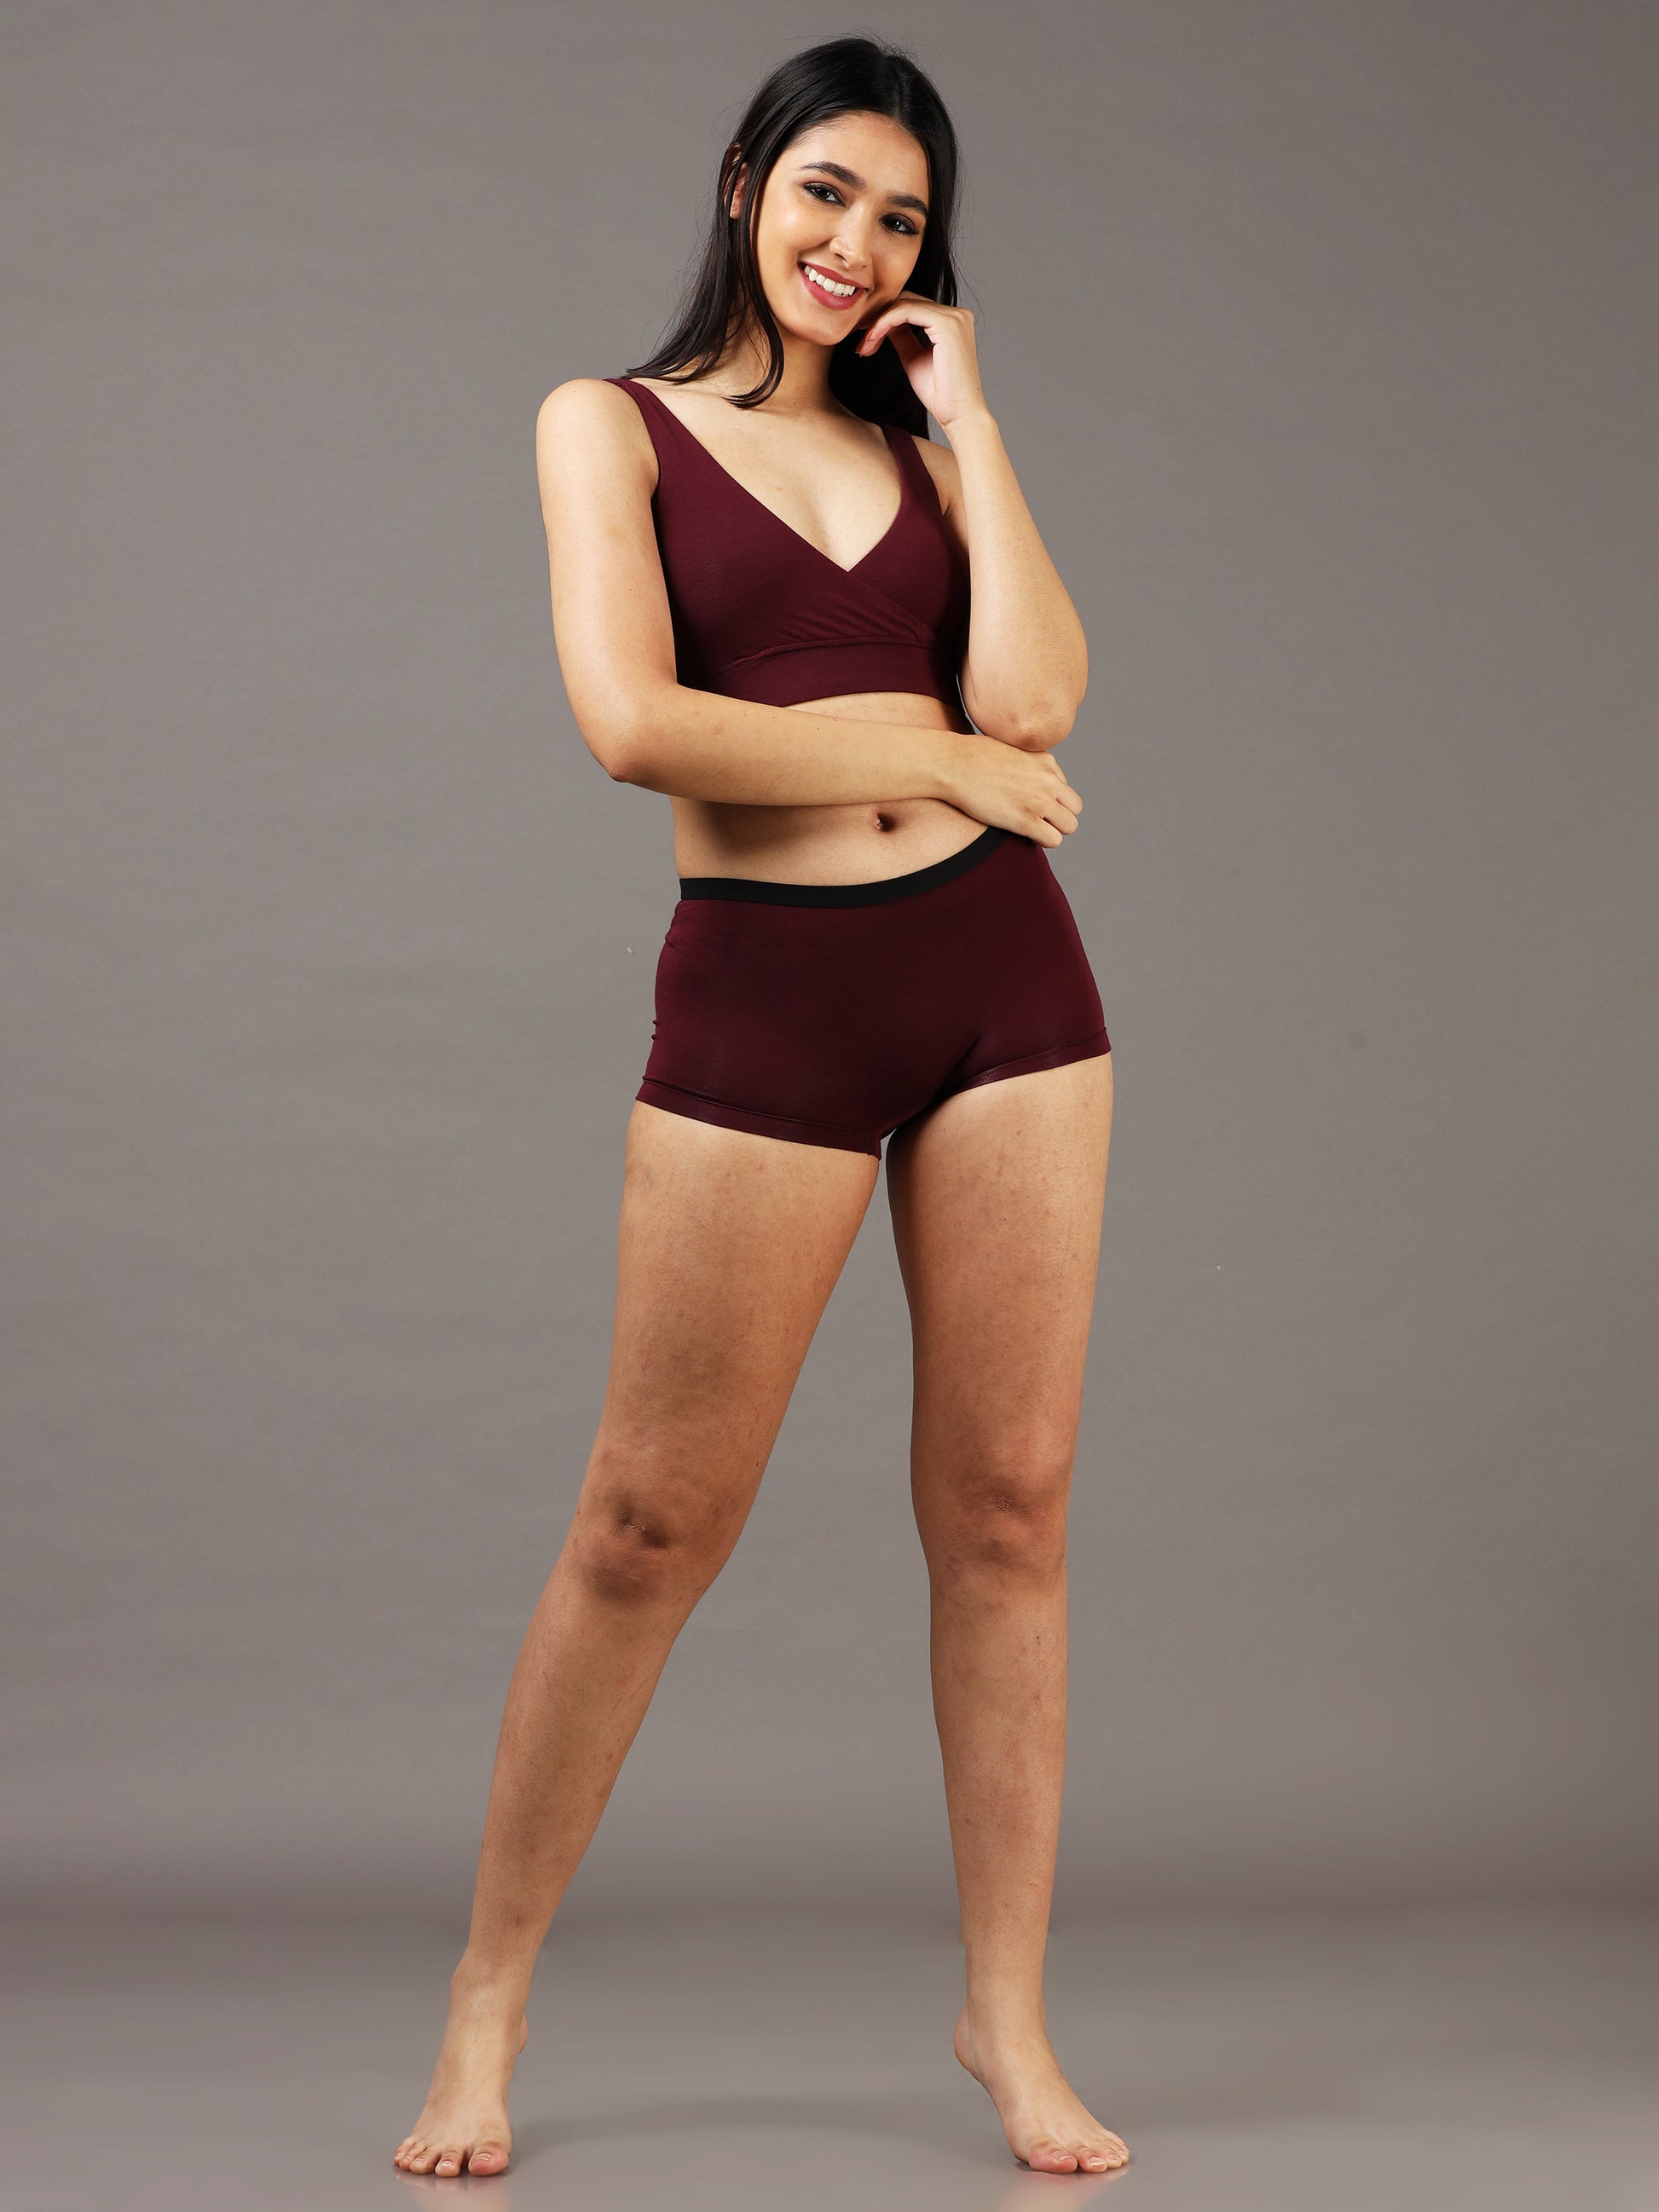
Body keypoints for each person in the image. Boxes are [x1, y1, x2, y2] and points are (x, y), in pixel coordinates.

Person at [395, 32, 1126, 2182]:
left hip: (1005, 981)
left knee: (1010, 1514)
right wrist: (947, 758)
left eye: (901, 218)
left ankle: (1006, 2016)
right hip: (770, 992)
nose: (855, 244)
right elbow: (633, 721)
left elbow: (1035, 698)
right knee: (647, 1523)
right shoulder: (605, 423)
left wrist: (971, 420)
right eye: (825, 192)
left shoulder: (922, 447)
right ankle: (488, 1994)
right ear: (740, 184)